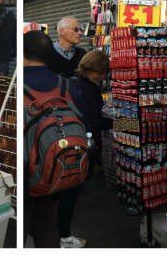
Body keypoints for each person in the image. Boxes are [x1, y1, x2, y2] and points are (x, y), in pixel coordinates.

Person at [57, 50, 112, 249]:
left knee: (68, 193)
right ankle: (63, 237)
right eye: (102, 72)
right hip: (79, 147)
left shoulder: (74, 84)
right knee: (70, 194)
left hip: (71, 145)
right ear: (95, 69)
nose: (103, 77)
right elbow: (91, 120)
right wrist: (117, 123)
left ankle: (61, 234)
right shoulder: (84, 88)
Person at [23, 30, 61, 248]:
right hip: (57, 165)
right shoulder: (64, 83)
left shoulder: (21, 83)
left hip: (28, 168)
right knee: (47, 228)